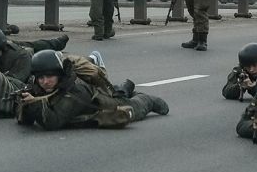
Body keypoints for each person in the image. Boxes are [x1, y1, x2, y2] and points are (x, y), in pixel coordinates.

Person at [16, 49, 168, 130]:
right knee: (119, 92)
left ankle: (146, 98)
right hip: (90, 97)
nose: (45, 82)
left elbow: (53, 122)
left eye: (49, 77)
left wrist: (33, 104)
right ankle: (124, 89)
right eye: (41, 78)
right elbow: (26, 121)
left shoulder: (74, 92)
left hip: (103, 104)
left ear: (59, 75)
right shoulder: (37, 87)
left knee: (136, 107)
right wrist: (23, 102)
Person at [0, 26, 67, 83]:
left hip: (29, 54)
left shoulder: (21, 57)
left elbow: (16, 81)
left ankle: (57, 44)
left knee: (35, 46)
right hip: (11, 45)